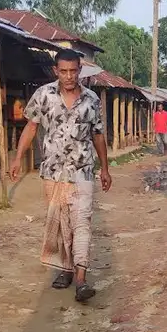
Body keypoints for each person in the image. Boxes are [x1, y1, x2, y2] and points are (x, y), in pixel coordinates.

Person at [10, 49, 111, 303]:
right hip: (53, 173)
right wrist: (17, 158)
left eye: (73, 71)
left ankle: (80, 280)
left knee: (82, 223)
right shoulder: (43, 95)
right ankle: (66, 270)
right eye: (63, 71)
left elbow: (98, 135)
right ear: (56, 71)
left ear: (80, 71)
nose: (68, 76)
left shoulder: (91, 100)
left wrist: (105, 168)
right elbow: (31, 127)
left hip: (83, 171)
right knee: (61, 223)